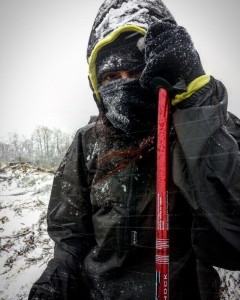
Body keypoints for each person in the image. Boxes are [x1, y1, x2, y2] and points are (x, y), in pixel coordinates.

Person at [29, 0, 240, 299]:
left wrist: (197, 107)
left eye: (136, 72)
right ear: (96, 83)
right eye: (111, 77)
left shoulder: (206, 124)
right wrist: (58, 277)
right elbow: (71, 235)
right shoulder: (87, 141)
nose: (124, 85)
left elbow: (232, 239)